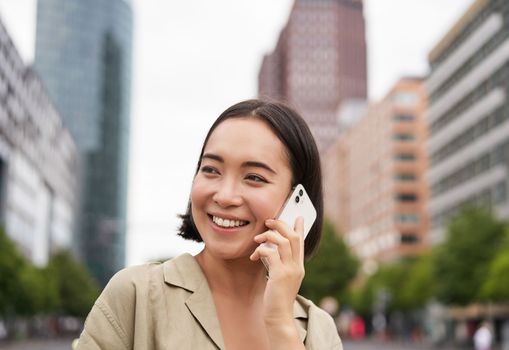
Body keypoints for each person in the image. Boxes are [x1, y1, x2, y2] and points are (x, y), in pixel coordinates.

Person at [75, 99, 343, 349]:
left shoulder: (319, 330)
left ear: (297, 203)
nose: (224, 196)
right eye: (211, 170)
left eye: (254, 177)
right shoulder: (136, 295)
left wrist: (280, 323)